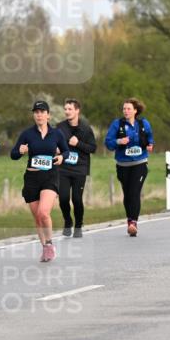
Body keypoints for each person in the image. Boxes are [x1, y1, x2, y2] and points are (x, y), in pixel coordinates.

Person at [11, 101, 69, 262]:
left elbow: (66, 151)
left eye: (42, 112)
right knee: (37, 217)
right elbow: (13, 154)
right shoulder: (27, 134)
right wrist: (20, 151)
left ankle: (49, 244)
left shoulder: (56, 134)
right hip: (31, 178)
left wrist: (61, 157)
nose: (39, 115)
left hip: (50, 176)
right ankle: (44, 247)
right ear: (34, 115)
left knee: (44, 212)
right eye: (36, 112)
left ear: (48, 115)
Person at [104, 98, 155, 237]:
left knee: (134, 192)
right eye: (124, 109)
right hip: (123, 165)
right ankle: (129, 220)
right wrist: (119, 141)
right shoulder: (117, 124)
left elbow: (150, 137)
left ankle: (134, 222)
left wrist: (150, 144)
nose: (126, 111)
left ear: (135, 110)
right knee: (127, 194)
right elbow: (108, 143)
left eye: (128, 109)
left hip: (140, 163)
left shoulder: (143, 124)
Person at [56, 98, 97, 238]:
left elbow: (93, 148)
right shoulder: (60, 127)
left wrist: (78, 143)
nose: (67, 112)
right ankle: (68, 222)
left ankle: (78, 225)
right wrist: (55, 149)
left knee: (77, 199)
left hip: (80, 168)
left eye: (70, 109)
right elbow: (54, 143)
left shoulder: (86, 128)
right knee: (63, 198)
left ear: (77, 111)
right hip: (63, 168)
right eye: (65, 109)